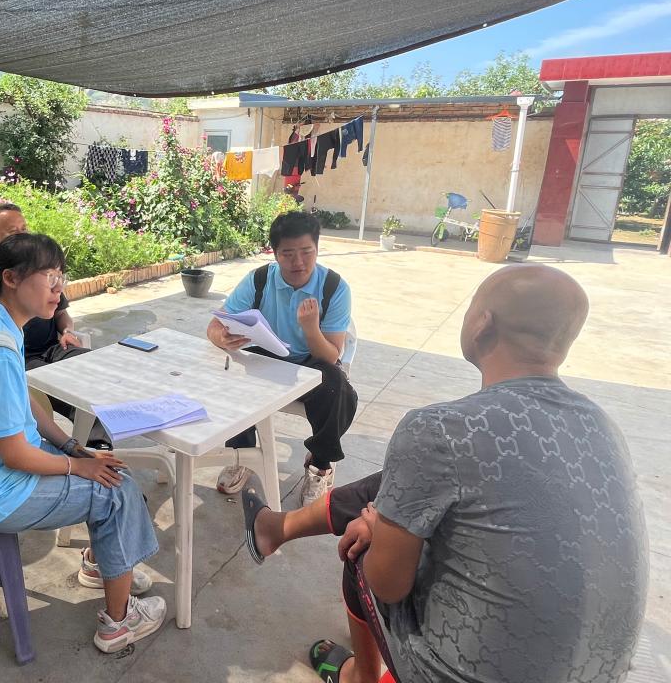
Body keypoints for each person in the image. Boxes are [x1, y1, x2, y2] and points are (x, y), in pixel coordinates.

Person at [240, 264, 648, 683]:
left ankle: (361, 677)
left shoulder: (440, 428)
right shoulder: (602, 425)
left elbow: (388, 585)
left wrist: (379, 531)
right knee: (396, 487)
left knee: (363, 546)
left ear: (481, 324)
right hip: (597, 672)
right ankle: (279, 528)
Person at [0, 233, 166, 652]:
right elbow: (14, 454)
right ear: (11, 278)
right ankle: (118, 623)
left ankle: (100, 564)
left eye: (62, 278)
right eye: (50, 278)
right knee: (117, 489)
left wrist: (71, 447)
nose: (59, 291)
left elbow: (24, 401)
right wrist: (80, 466)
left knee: (103, 468)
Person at [207, 210, 357, 502]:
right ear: (274, 254)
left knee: (336, 388)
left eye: (306, 252)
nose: (298, 262)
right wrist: (221, 337)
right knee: (233, 369)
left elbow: (331, 354)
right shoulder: (260, 279)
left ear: (317, 249)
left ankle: (320, 464)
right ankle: (242, 453)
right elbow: (214, 325)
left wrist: (311, 329)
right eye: (288, 254)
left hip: (312, 360)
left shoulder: (334, 287)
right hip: (270, 355)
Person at [0, 203, 104, 441]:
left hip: (54, 347)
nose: (57, 288)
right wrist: (70, 452)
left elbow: (61, 312)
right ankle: (92, 436)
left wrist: (67, 331)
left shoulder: (41, 273)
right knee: (57, 385)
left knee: (94, 370)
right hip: (25, 359)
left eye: (24, 228)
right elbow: (11, 450)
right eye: (13, 231)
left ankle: (96, 434)